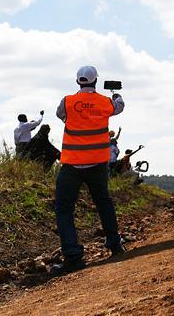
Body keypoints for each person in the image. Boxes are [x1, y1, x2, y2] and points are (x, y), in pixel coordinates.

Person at [51, 65, 125, 275]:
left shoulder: (67, 101)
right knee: (104, 202)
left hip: (72, 165)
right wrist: (116, 94)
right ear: (95, 82)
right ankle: (115, 245)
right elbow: (119, 107)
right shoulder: (104, 102)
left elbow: (60, 114)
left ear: (78, 82)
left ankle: (73, 256)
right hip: (98, 163)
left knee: (64, 209)